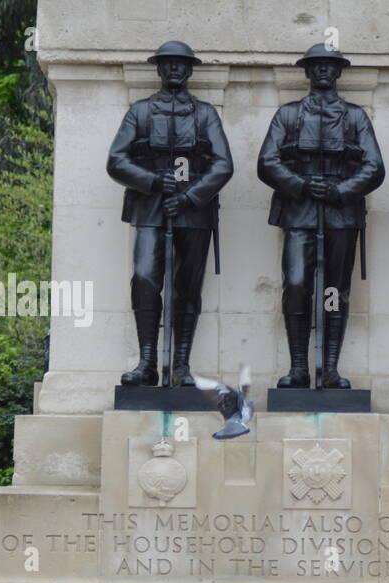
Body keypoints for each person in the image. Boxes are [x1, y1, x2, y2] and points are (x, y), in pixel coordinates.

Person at [257, 43, 384, 389]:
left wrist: (341, 190)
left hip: (341, 214)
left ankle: (329, 367)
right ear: (308, 72)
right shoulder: (288, 114)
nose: (323, 71)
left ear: (339, 71)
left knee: (334, 290)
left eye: (330, 66)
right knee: (296, 285)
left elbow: (374, 167)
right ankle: (299, 366)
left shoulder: (355, 116)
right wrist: (299, 185)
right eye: (317, 66)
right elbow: (267, 162)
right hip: (299, 212)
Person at [108, 41, 234, 387]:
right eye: (168, 64)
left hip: (194, 212)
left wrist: (191, 197)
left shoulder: (206, 113)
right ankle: (148, 361)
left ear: (190, 69)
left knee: (188, 287)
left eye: (181, 64)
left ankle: (180, 364)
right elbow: (116, 160)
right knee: (145, 279)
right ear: (159, 69)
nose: (174, 69)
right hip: (150, 208)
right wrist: (151, 181)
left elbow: (223, 164)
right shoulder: (141, 112)